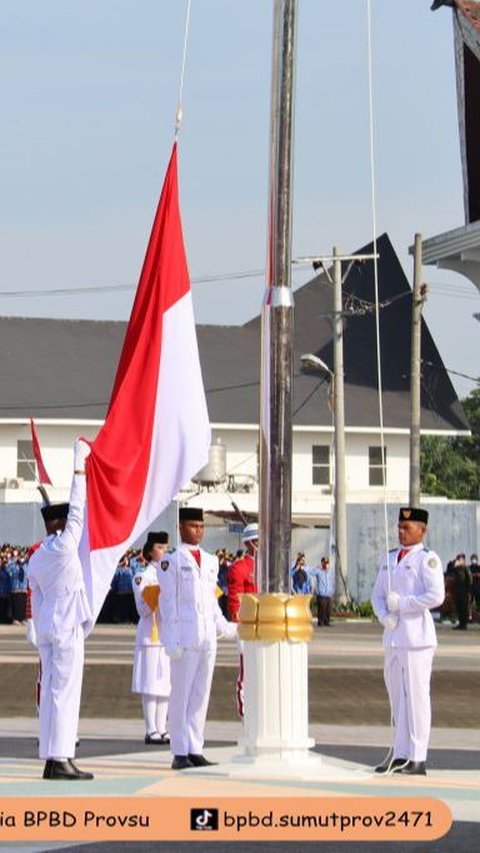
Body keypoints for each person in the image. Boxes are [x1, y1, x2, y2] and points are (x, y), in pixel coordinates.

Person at [27, 439, 94, 781]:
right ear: (61, 524)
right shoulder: (66, 547)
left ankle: (51, 758)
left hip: (49, 630)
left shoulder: (37, 557)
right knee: (65, 694)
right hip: (67, 629)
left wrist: (39, 629)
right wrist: (79, 467)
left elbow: (35, 597)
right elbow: (79, 509)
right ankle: (62, 757)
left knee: (52, 693)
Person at [158, 507, 237, 770]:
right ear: (180, 528)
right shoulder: (171, 561)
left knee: (201, 694)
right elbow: (167, 603)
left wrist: (226, 627)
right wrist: (170, 639)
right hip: (184, 636)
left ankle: (195, 747)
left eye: (201, 526)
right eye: (193, 526)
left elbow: (212, 601)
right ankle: (179, 751)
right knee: (181, 694)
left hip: (206, 637)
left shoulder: (211, 560)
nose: (198, 531)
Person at [371, 507, 444, 776]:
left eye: (407, 528)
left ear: (422, 531)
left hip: (417, 638)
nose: (401, 532)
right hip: (393, 637)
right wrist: (382, 615)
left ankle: (417, 757)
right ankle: (400, 754)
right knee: (397, 699)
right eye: (400, 527)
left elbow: (436, 596)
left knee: (416, 698)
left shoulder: (428, 560)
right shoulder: (390, 557)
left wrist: (402, 604)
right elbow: (377, 594)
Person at [132, 531, 171, 745]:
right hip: (150, 632)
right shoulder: (142, 576)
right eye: (160, 547)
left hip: (167, 634)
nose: (164, 551)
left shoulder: (170, 573)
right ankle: (151, 729)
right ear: (149, 551)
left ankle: (162, 727)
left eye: (166, 547)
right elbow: (142, 609)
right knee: (150, 683)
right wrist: (157, 597)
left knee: (165, 683)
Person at [227, 523, 259, 718]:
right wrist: (238, 619)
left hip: (264, 622)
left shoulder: (267, 565)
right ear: (250, 543)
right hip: (246, 623)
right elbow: (234, 598)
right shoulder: (239, 568)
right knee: (246, 670)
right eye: (257, 541)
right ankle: (245, 712)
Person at [227, 524, 258, 622]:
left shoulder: (269, 565)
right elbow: (235, 601)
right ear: (248, 543)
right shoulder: (238, 567)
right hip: (250, 620)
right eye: (257, 541)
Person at [311, 557, 335, 626]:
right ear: (322, 563)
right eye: (325, 562)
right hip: (321, 593)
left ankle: (327, 621)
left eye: (327, 563)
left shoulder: (330, 571)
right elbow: (312, 572)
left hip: (328, 593)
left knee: (328, 609)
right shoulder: (319, 571)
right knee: (322, 608)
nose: (326, 564)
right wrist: (318, 567)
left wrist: (332, 590)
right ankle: (320, 621)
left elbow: (332, 581)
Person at [451, 553, 472, 630]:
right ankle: (460, 623)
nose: (459, 560)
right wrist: (455, 564)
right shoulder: (456, 568)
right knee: (459, 607)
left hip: (464, 591)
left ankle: (464, 624)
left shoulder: (466, 568)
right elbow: (450, 571)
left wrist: (469, 591)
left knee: (464, 608)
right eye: (458, 559)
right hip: (457, 591)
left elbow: (469, 579)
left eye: (460, 559)